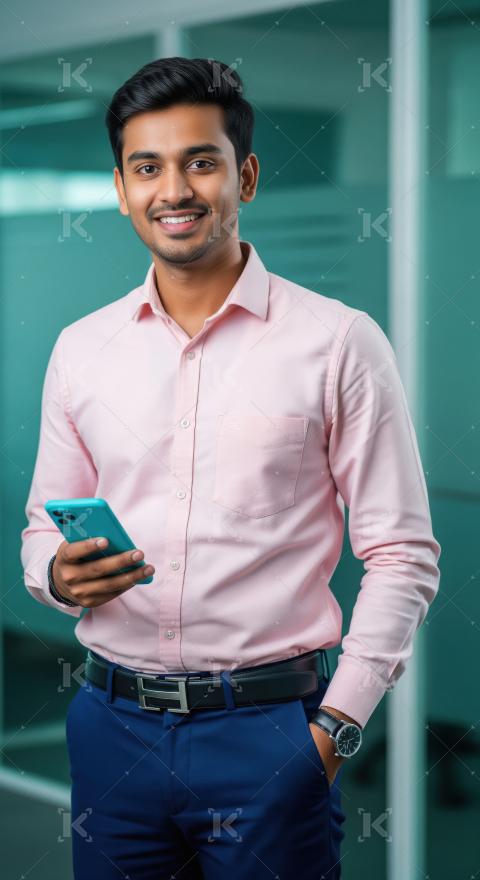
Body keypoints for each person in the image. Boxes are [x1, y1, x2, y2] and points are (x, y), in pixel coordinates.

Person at [20, 57, 441, 880]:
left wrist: (333, 731)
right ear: (120, 188)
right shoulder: (82, 350)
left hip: (269, 735)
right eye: (148, 167)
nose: (172, 189)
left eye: (199, 162)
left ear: (243, 175)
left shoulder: (337, 342)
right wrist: (61, 576)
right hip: (112, 730)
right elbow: (44, 525)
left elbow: (403, 555)